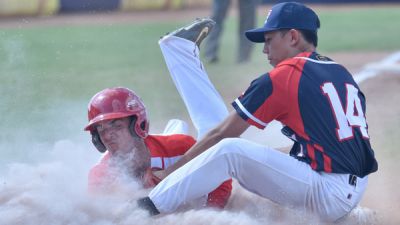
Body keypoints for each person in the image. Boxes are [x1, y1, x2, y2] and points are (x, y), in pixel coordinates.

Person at [138, 2, 379, 222]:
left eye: (269, 39)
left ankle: (143, 210)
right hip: (350, 186)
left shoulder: (286, 75)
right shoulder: (339, 72)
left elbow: (220, 135)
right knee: (247, 156)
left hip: (326, 193)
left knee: (229, 150)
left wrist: (169, 172)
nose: (265, 50)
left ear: (293, 37)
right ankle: (348, 216)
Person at [85, 18, 232, 209]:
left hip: (167, 144)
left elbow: (222, 178)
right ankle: (178, 48)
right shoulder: (101, 177)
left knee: (218, 144)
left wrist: (210, 212)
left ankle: (178, 48)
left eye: (116, 124)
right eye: (100, 129)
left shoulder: (180, 148)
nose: (108, 134)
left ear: (138, 125)